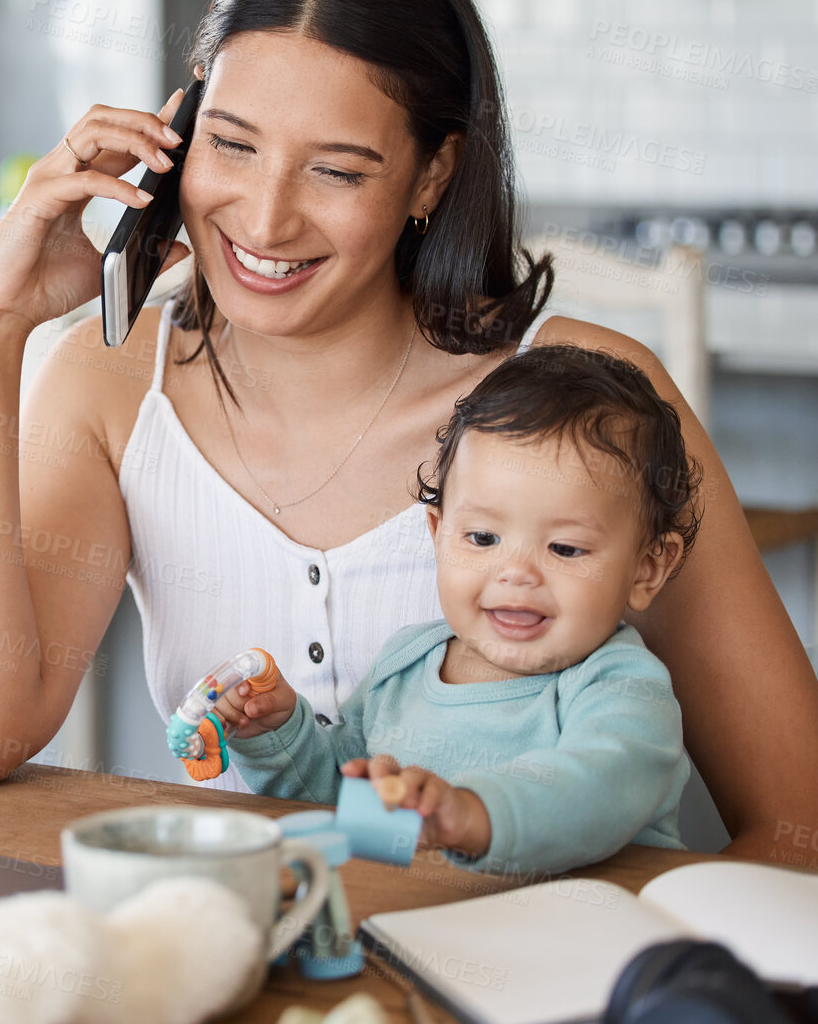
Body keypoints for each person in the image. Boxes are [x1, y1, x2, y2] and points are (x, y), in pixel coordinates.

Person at [0, 0, 818, 869]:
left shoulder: (593, 403)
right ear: (180, 131)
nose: (266, 219)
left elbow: (816, 842)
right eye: (231, 145)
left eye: (335, 170)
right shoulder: (113, 388)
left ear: (431, 176)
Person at [216, 344, 695, 875]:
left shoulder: (619, 684)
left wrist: (472, 813)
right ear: (439, 534)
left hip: (584, 944)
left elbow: (601, 786)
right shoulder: (404, 666)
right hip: (418, 940)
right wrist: (277, 735)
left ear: (648, 568)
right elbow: (343, 805)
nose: (516, 573)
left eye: (565, 549)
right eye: (484, 537)